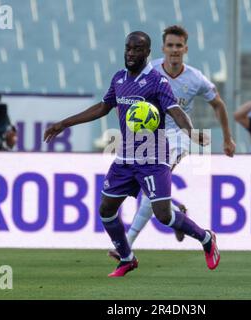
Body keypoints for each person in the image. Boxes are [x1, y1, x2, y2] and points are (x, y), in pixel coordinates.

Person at [44, 31, 220, 277]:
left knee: (163, 215)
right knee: (106, 210)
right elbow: (103, 108)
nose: (130, 53)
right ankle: (127, 258)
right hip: (126, 157)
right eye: (128, 48)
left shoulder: (157, 82)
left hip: (153, 157)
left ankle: (205, 238)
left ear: (147, 53)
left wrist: (190, 132)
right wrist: (64, 123)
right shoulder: (119, 79)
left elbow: (176, 111)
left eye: (137, 49)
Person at [107, 25, 235, 262]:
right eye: (170, 45)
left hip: (176, 138)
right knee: (151, 193)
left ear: (185, 48)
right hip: (145, 138)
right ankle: (177, 214)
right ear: (163, 48)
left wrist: (227, 138)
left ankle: (129, 242)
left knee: (150, 194)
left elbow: (218, 104)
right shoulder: (149, 70)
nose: (174, 50)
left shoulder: (195, 78)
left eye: (179, 46)